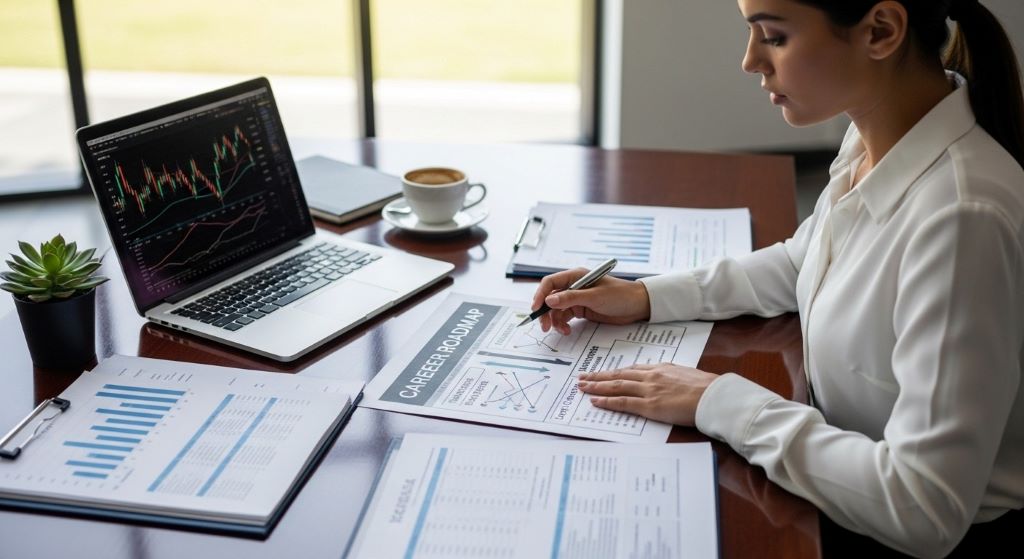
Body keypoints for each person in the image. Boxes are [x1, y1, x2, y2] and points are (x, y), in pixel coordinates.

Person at [530, 0, 1024, 556]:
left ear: (881, 31)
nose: (750, 61)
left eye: (774, 36)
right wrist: (643, 296)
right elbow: (802, 262)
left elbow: (923, 507)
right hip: (838, 476)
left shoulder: (962, 219)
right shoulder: (878, 136)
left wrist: (718, 400)